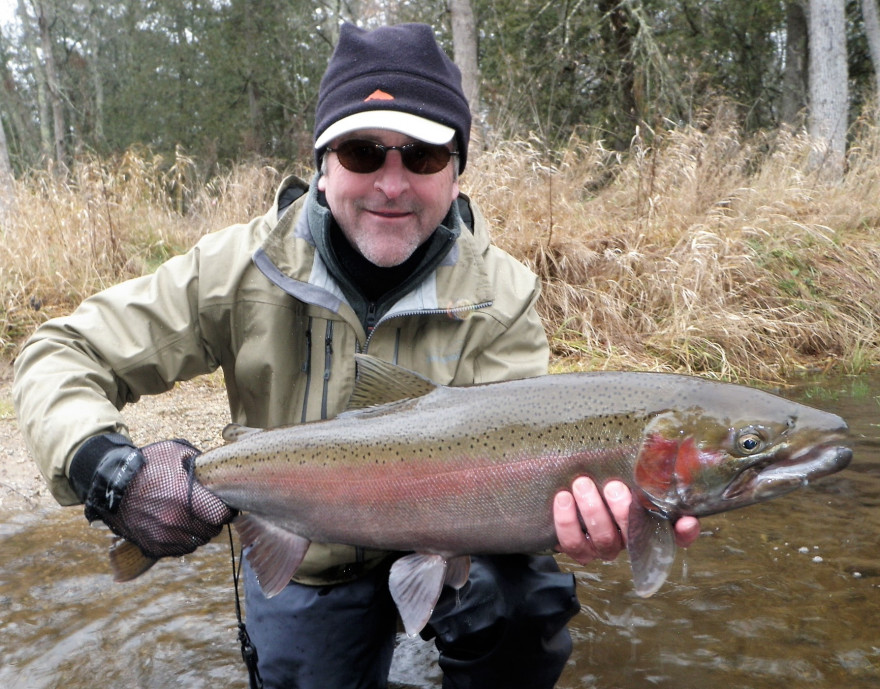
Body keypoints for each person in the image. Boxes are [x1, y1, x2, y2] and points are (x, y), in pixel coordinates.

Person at [13, 22, 699, 689]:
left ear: (456, 173)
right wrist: (108, 469)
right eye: (364, 153)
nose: (392, 183)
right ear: (322, 166)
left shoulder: (504, 293)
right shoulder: (235, 268)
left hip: (460, 547)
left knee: (524, 603)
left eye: (423, 157)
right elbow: (59, 351)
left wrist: (592, 517)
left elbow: (523, 463)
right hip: (305, 549)